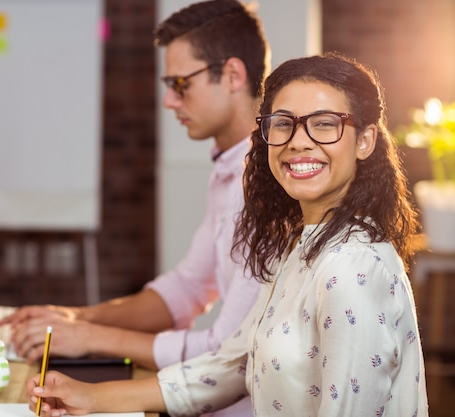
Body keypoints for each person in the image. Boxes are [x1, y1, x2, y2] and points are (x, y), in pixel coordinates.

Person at [25, 52, 429, 417]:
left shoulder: (350, 269)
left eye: (324, 125)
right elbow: (233, 364)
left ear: (365, 141)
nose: (298, 142)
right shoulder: (300, 242)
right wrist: (92, 398)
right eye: (283, 124)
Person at [0, 1, 268, 416]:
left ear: (233, 75)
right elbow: (188, 288)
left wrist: (89, 336)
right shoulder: (231, 166)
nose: (168, 101)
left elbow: (224, 354)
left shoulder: (264, 186)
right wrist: (77, 317)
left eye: (180, 83)